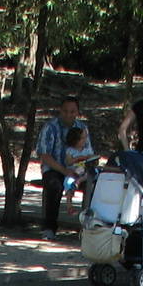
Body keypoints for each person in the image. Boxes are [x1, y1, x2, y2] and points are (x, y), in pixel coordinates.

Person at [35, 97, 93, 239]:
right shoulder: (50, 127)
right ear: (60, 111)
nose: (68, 114)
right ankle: (49, 228)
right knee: (54, 184)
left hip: (78, 170)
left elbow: (89, 152)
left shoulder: (82, 129)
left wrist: (84, 167)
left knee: (94, 185)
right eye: (65, 111)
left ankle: (89, 228)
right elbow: (44, 155)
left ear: (77, 112)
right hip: (55, 168)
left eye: (72, 111)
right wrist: (64, 170)